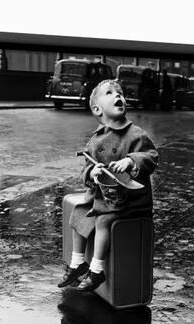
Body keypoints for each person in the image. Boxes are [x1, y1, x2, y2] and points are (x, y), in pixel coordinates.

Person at [58, 79, 159, 291]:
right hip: (105, 197)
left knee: (103, 221)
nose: (117, 95)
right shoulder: (95, 140)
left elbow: (151, 156)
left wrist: (131, 160)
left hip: (132, 201)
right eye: (110, 93)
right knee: (78, 214)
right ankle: (77, 264)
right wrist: (92, 173)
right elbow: (87, 168)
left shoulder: (135, 134)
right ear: (97, 109)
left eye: (120, 93)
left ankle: (96, 270)